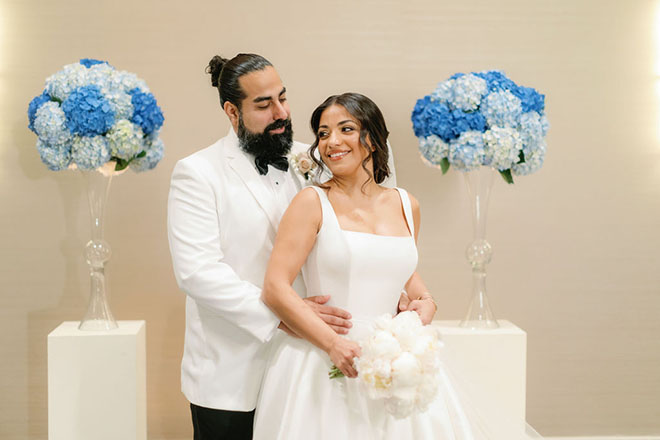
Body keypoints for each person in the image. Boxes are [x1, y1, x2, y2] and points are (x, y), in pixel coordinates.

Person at [252, 92, 543, 439]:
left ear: (372, 139)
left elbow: (402, 268)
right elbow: (275, 288)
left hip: (395, 359)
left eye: (346, 129)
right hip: (324, 358)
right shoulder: (311, 202)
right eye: (323, 132)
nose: (332, 141)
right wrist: (332, 344)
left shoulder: (406, 204)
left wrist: (426, 301)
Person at [167, 54, 359, 440]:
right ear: (231, 111)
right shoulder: (197, 173)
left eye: (283, 98)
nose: (281, 112)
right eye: (263, 104)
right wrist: (282, 314)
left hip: (307, 370)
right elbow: (198, 272)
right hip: (231, 376)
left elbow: (363, 220)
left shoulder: (313, 159)